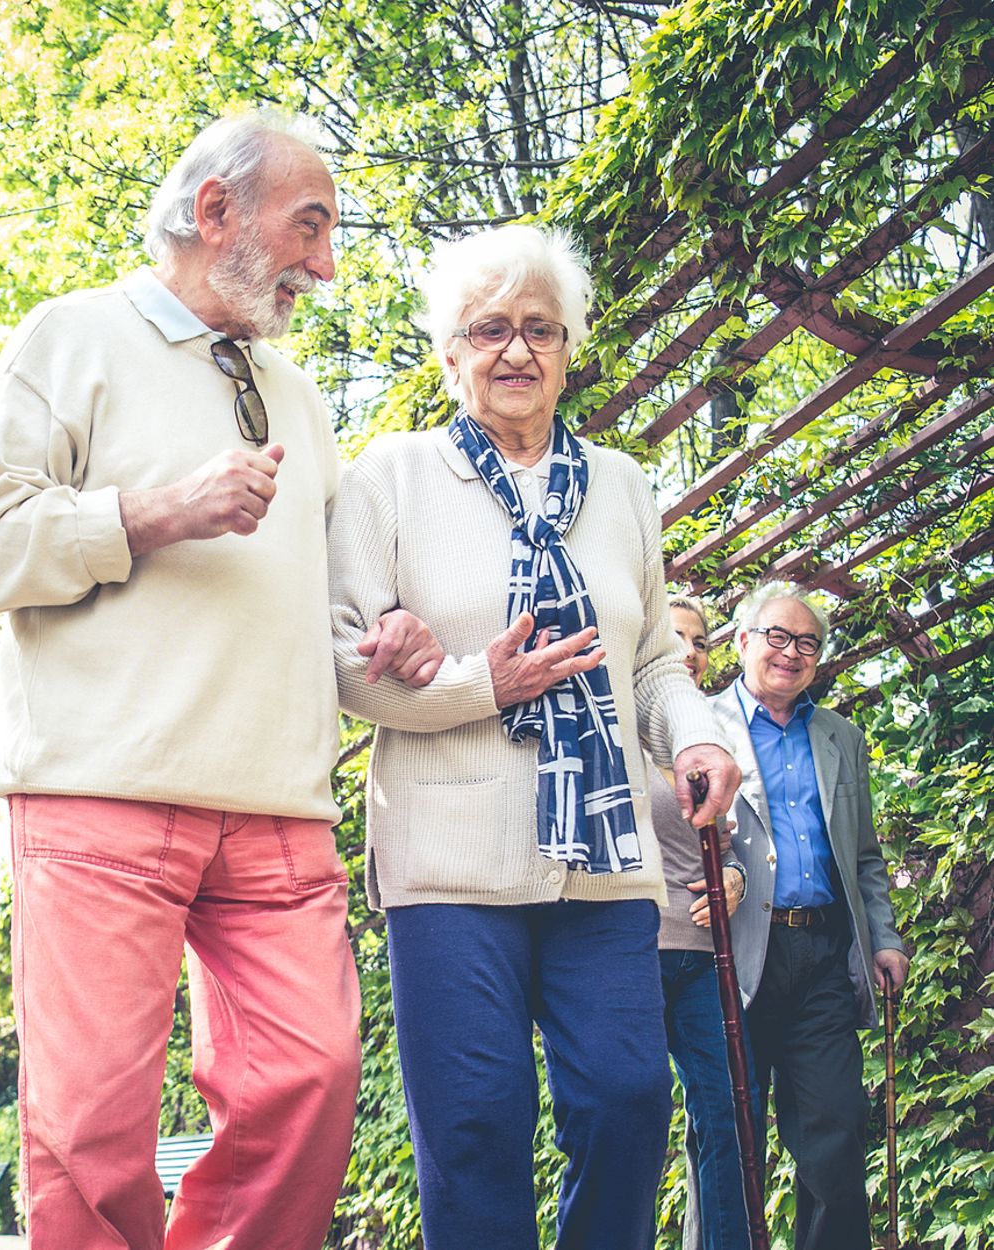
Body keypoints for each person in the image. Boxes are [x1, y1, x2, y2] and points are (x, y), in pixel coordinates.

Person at [0, 110, 437, 1250]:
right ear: (213, 210)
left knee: (310, 1081)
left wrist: (374, 642)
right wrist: (152, 511)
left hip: (275, 804)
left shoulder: (302, 397)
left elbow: (313, 605)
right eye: (307, 226)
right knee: (88, 1129)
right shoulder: (68, 336)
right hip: (99, 792)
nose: (325, 263)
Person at [327, 222, 742, 1250]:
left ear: (568, 351)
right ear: (449, 352)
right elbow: (342, 666)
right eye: (489, 329)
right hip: (449, 861)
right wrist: (484, 683)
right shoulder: (390, 477)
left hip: (598, 865)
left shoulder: (623, 487)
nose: (515, 351)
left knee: (627, 1100)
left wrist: (692, 737)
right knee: (472, 1124)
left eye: (539, 330)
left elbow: (647, 661)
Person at [714, 581, 910, 1250]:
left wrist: (882, 937)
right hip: (730, 959)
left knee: (834, 1130)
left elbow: (862, 855)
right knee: (727, 1141)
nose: (790, 653)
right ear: (741, 640)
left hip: (821, 958)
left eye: (806, 642)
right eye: (776, 635)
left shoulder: (839, 736)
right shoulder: (697, 728)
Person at [655, 594, 755, 1250]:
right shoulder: (614, 726)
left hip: (702, 958)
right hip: (625, 952)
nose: (688, 652)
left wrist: (736, 875)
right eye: (673, 638)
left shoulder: (714, 741)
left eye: (699, 641)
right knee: (626, 1121)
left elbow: (743, 842)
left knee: (726, 1122)